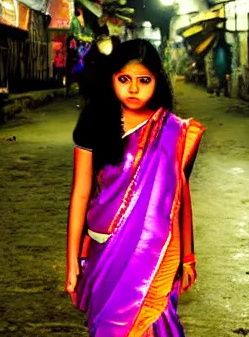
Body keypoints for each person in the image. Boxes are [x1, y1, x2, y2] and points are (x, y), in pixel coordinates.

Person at [67, 39, 205, 336]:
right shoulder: (94, 120)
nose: (133, 89)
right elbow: (80, 193)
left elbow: (178, 198)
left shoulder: (174, 131)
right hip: (104, 248)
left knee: (155, 324)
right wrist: (71, 262)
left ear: (157, 81)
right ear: (111, 79)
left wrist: (187, 255)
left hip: (157, 251)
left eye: (144, 80)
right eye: (124, 79)